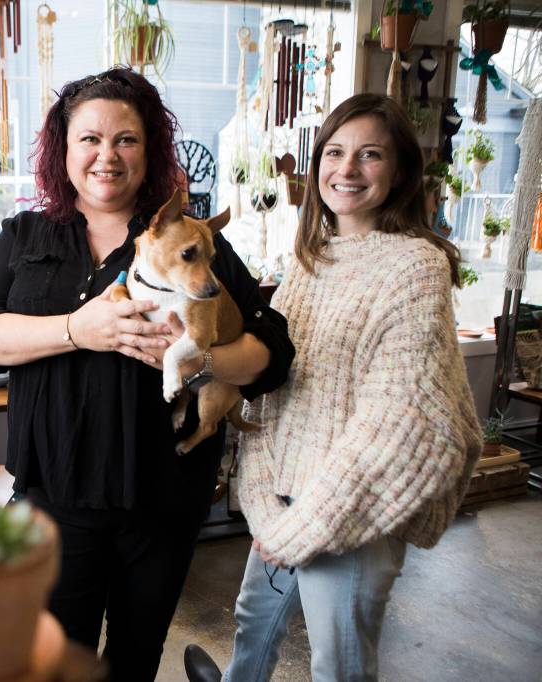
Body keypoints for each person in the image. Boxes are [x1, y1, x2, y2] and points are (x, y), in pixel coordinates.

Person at [0, 67, 295, 681]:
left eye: (126, 140)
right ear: (64, 150)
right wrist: (75, 330)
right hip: (54, 492)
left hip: (163, 496)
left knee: (134, 658)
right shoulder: (26, 234)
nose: (106, 156)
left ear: (150, 150)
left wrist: (205, 360)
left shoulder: (182, 239)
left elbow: (273, 348)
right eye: (89, 139)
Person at [188, 93, 483, 682]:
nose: (346, 170)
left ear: (398, 170)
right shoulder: (310, 257)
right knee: (253, 621)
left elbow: (397, 424)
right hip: (286, 498)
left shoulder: (414, 267)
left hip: (353, 514)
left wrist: (307, 526)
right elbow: (280, 390)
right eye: (336, 152)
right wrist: (266, 497)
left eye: (369, 155)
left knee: (338, 663)